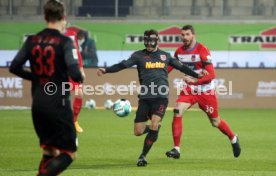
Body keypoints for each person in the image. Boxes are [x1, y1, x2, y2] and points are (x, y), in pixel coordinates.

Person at [97, 29, 202, 167]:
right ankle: (154, 129)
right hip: (145, 97)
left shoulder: (165, 56)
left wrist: (195, 74)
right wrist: (106, 70)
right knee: (138, 131)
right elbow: (123, 65)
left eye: (151, 42)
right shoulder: (138, 55)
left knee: (154, 123)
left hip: (161, 97)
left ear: (157, 41)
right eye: (147, 42)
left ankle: (143, 156)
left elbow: (181, 67)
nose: (149, 45)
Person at [9, 0, 83, 175]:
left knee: (49, 151)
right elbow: (75, 74)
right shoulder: (65, 42)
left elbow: (14, 67)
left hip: (38, 104)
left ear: (45, 17)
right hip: (58, 104)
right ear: (63, 18)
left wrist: (36, 77)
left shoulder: (32, 40)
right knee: (69, 153)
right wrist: (80, 74)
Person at [165, 25, 241, 159]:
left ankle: (233, 137)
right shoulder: (179, 52)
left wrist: (195, 81)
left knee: (215, 122)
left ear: (193, 35)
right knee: (177, 110)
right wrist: (157, 75)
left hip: (206, 91)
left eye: (187, 34)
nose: (184, 37)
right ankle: (176, 149)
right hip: (189, 90)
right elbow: (169, 67)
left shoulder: (202, 50)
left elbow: (211, 75)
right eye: (182, 35)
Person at [65, 27, 86, 133]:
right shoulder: (68, 35)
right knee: (60, 96)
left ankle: (74, 121)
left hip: (73, 68)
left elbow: (77, 53)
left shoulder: (72, 34)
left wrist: (81, 69)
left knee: (79, 93)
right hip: (62, 69)